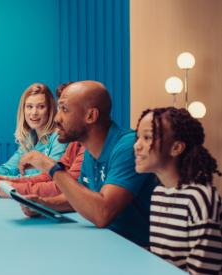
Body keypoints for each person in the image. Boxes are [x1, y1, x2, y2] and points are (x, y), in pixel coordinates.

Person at [16, 81, 158, 248]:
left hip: (143, 252)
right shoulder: (90, 153)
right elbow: (84, 199)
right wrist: (45, 204)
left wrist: (51, 167)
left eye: (65, 109)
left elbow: (102, 213)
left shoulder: (129, 148)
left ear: (91, 116)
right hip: (111, 244)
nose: (56, 118)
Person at [134, 107, 222, 274]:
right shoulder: (159, 193)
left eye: (147, 137)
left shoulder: (200, 198)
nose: (137, 145)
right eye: (138, 137)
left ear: (176, 148)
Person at [0, 83, 68, 182]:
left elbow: (49, 177)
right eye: (29, 106)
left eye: (41, 107)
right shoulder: (30, 138)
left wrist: (2, 180)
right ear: (23, 110)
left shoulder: (59, 137)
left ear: (50, 109)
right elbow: (8, 169)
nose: (34, 112)